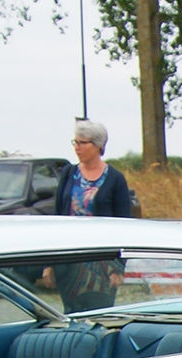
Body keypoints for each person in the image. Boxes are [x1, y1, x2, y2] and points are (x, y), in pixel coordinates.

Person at [49, 118, 133, 311]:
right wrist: (50, 263)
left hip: (101, 264)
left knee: (98, 314)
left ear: (97, 146)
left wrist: (118, 267)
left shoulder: (115, 179)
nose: (77, 147)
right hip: (69, 261)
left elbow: (125, 226)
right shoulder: (69, 174)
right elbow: (57, 218)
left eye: (82, 143)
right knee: (71, 314)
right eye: (75, 142)